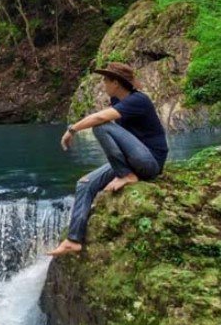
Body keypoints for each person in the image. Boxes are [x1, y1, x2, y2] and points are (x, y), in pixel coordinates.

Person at [47, 62, 169, 257]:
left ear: (116, 83)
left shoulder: (138, 100)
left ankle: (126, 175)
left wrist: (72, 130)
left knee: (101, 126)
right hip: (134, 159)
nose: (103, 84)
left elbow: (100, 118)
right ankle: (73, 240)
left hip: (150, 162)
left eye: (105, 80)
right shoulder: (118, 103)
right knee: (84, 184)